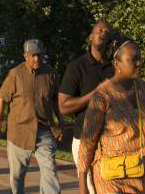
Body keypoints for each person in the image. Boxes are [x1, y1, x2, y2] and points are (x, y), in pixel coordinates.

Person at [78, 34, 145, 194]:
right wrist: (83, 186)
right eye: (133, 59)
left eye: (139, 58)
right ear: (117, 63)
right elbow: (87, 142)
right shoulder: (103, 96)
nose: (139, 63)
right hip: (113, 179)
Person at [0, 39, 64, 194]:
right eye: (33, 55)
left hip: (44, 130)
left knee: (50, 171)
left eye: (39, 55)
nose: (37, 59)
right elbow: (1, 100)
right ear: (25, 56)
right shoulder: (15, 74)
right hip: (19, 132)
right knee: (17, 176)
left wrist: (60, 123)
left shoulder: (50, 73)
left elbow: (56, 100)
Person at [60, 20, 114, 194]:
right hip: (84, 138)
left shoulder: (116, 67)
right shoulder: (77, 67)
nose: (103, 34)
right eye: (99, 30)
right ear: (91, 36)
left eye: (107, 32)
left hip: (111, 140)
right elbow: (63, 106)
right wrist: (93, 95)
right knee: (91, 189)